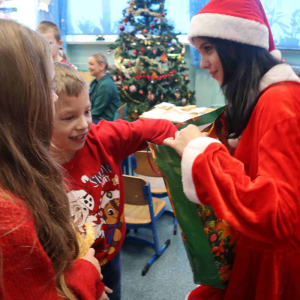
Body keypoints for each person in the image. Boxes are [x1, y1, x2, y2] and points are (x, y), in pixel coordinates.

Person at [164, 0, 300, 300]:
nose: (202, 63)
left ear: (238, 45)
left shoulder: (280, 104)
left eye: (209, 49)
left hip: (277, 271)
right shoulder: (263, 99)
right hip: (255, 254)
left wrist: (203, 156)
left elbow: (282, 217)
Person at [0, 19, 112, 299]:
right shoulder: (8, 217)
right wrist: (85, 270)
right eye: (47, 86)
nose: (52, 98)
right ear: (21, 97)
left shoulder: (19, 171)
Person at [51, 62, 177, 300]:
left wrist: (187, 149)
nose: (84, 124)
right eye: (69, 117)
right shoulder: (36, 167)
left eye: (87, 112)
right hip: (67, 273)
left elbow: (158, 128)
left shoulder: (103, 138)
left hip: (108, 257)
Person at [88, 53, 120, 123]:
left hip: (104, 121)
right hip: (97, 118)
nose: (88, 67)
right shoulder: (95, 82)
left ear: (102, 66)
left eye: (91, 64)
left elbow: (97, 111)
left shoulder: (106, 85)